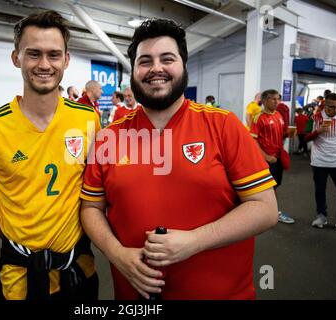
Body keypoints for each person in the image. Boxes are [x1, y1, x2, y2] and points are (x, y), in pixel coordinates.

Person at [80, 19, 278, 300]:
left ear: (183, 66)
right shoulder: (107, 137)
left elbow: (265, 208)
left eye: (167, 59)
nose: (156, 68)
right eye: (145, 61)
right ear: (134, 71)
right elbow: (90, 208)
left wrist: (195, 241)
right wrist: (117, 254)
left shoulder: (223, 125)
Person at [0, 11, 100, 300]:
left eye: (54, 54)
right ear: (16, 58)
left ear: (66, 60)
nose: (44, 64)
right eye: (33, 54)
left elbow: (98, 188)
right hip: (20, 278)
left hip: (79, 270)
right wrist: (10, 237)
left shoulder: (88, 119)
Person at [251, 89, 295, 224]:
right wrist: (265, 156)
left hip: (278, 158)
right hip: (267, 160)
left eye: (278, 99)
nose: (277, 102)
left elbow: (281, 134)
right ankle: (273, 213)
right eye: (273, 99)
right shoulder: (259, 117)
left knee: (275, 185)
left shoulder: (279, 115)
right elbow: (253, 140)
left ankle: (269, 211)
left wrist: (288, 134)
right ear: (264, 101)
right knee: (267, 187)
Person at [306, 93, 336, 232]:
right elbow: (305, 137)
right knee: (320, 190)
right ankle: (321, 215)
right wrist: (318, 131)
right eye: (333, 107)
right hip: (319, 161)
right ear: (325, 105)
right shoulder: (315, 117)